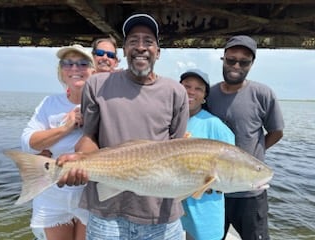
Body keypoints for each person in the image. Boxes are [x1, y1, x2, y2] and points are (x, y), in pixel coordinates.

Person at [56, 13, 189, 240]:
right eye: (133, 41)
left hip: (160, 216)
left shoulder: (176, 91)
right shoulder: (96, 84)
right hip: (106, 212)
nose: (141, 47)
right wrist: (81, 163)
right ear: (124, 50)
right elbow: (90, 137)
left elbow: (178, 151)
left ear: (158, 52)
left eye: (148, 41)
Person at [207, 35, 284, 240]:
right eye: (231, 60)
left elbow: (276, 132)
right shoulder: (209, 94)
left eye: (244, 62)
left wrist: (255, 153)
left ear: (251, 64)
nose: (236, 66)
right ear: (223, 59)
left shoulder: (263, 94)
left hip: (250, 194)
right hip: (216, 191)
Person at [21, 44, 95, 240]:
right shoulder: (49, 103)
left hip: (90, 193)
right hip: (53, 194)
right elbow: (28, 142)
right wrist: (66, 127)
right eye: (67, 64)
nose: (74, 69)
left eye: (82, 63)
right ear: (61, 71)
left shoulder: (103, 104)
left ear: (92, 70)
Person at [179, 69, 235, 240]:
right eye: (187, 86)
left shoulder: (214, 125)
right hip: (175, 203)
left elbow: (231, 166)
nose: (191, 92)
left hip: (204, 208)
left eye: (198, 89)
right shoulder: (170, 120)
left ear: (204, 97)